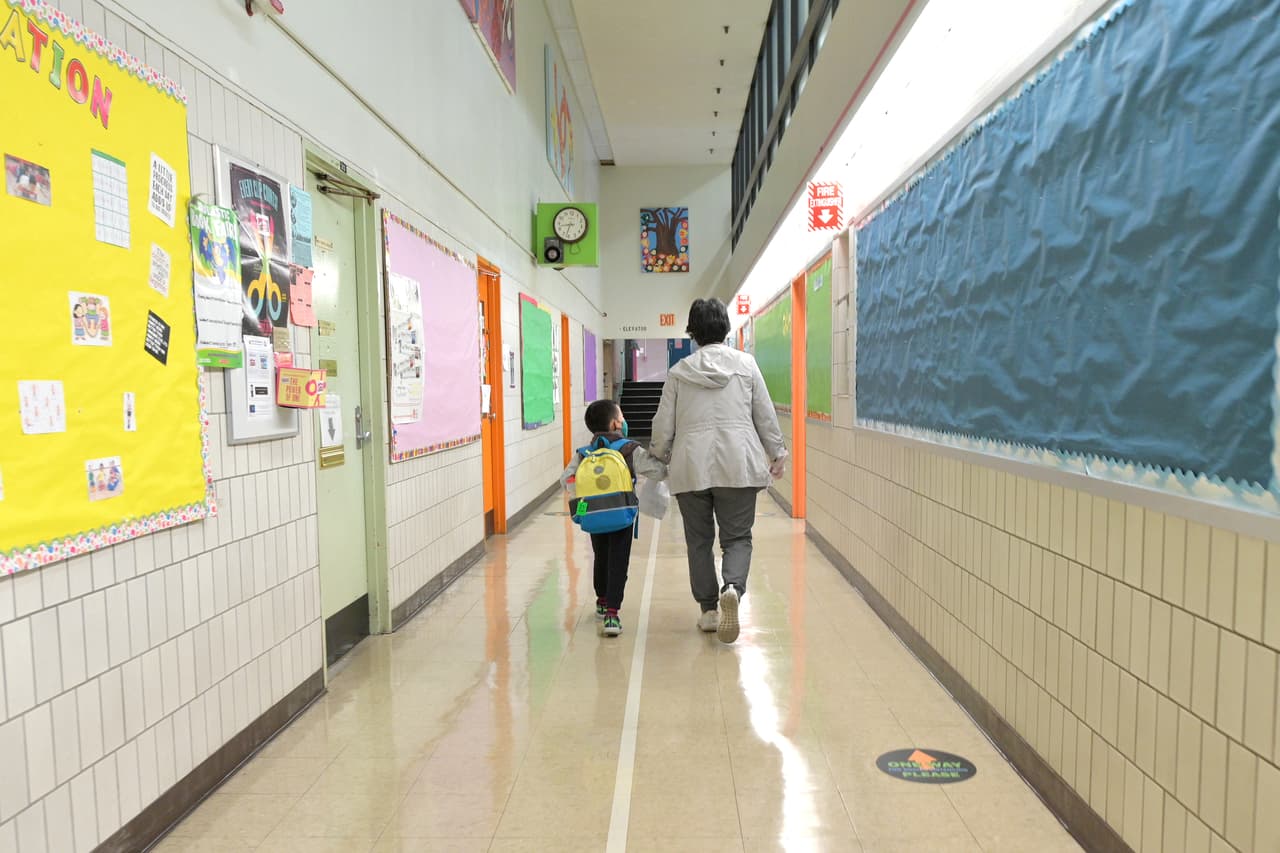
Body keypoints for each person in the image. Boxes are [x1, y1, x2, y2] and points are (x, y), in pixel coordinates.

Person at [649, 298, 788, 644]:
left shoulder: (679, 372)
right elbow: (765, 415)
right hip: (738, 464)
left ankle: (710, 611)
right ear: (725, 327)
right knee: (738, 537)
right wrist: (777, 453)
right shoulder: (746, 365)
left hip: (691, 467)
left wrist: (658, 455)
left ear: (692, 332)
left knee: (699, 541)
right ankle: (733, 589)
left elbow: (663, 425)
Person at [560, 400, 667, 637]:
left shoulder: (584, 453)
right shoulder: (628, 449)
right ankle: (612, 613)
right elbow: (658, 471)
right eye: (621, 417)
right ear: (615, 423)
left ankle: (601, 599)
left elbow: (566, 479)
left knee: (601, 556)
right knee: (619, 561)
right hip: (622, 515)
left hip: (594, 516)